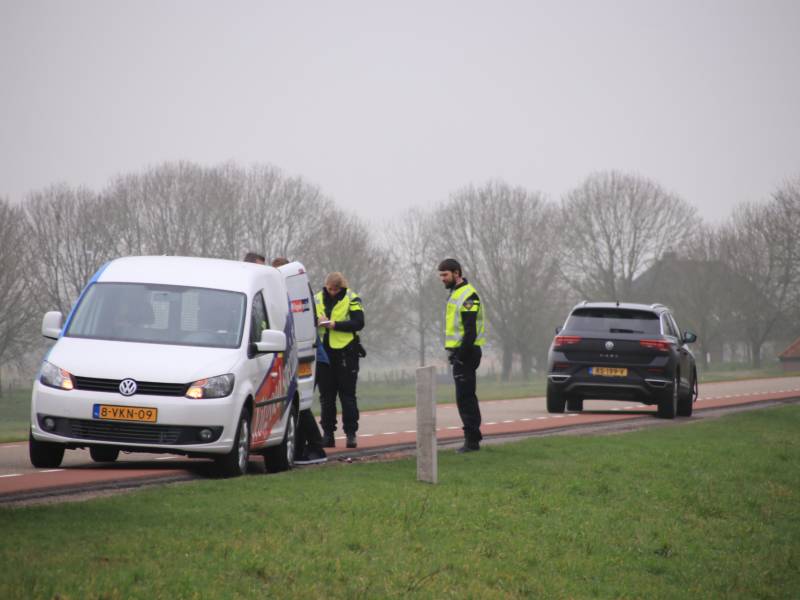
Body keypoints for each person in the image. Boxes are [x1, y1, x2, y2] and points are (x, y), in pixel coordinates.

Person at [270, 256, 328, 465]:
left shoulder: (291, 291)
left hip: (307, 355)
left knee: (300, 403)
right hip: (303, 353)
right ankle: (302, 448)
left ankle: (314, 447)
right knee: (297, 403)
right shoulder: (292, 291)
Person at [438, 258, 486, 453]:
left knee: (465, 397)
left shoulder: (468, 296)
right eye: (440, 275)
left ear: (456, 273)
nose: (442, 279)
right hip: (460, 352)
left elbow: (470, 331)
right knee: (464, 397)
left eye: (445, 275)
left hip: (467, 352)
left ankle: (472, 441)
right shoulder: (456, 294)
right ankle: (474, 435)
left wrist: (460, 355)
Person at [315, 272, 364, 448]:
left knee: (348, 397)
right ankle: (328, 434)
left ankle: (351, 434)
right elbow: (304, 320)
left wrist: (334, 325)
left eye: (336, 289)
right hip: (323, 354)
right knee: (326, 398)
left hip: (346, 353)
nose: (333, 292)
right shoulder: (316, 298)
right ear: (326, 286)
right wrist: (317, 320)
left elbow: (358, 323)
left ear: (341, 287)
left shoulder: (352, 298)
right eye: (330, 289)